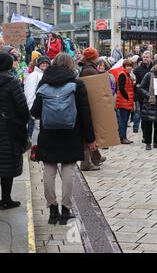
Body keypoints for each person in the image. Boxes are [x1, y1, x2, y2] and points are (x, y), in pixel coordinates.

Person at [30, 53, 96, 224]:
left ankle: (52, 209)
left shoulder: (44, 83)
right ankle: (66, 210)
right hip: (71, 133)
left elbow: (35, 112)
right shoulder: (77, 84)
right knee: (68, 170)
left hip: (48, 134)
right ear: (71, 65)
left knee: (49, 170)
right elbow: (85, 113)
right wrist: (90, 138)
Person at [0, 52, 30, 210]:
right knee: (7, 166)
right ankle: (6, 199)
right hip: (8, 129)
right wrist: (24, 121)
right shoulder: (12, 82)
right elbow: (22, 106)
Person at [78, 47, 107, 170]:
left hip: (87, 102)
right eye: (97, 55)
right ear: (93, 58)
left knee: (91, 132)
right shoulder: (89, 69)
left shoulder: (87, 67)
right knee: (88, 133)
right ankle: (86, 163)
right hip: (88, 103)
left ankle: (96, 157)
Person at [138, 58, 157, 150]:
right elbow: (140, 88)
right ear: (154, 65)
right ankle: (148, 143)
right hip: (150, 103)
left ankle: (156, 142)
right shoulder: (149, 75)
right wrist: (148, 95)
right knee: (148, 125)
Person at [24, 56, 51, 161]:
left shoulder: (48, 74)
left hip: (48, 108)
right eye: (42, 63)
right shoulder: (33, 75)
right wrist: (31, 109)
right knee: (37, 129)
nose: (44, 64)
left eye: (46, 62)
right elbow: (29, 93)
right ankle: (35, 151)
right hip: (38, 108)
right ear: (38, 64)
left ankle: (44, 150)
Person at [133, 51, 153, 134]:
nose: (145, 58)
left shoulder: (153, 69)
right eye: (144, 57)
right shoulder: (137, 70)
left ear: (151, 58)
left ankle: (147, 133)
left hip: (151, 96)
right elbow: (135, 84)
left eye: (147, 57)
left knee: (148, 117)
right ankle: (141, 131)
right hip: (140, 96)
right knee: (140, 114)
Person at [116, 59, 135, 144]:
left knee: (125, 120)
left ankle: (124, 137)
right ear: (124, 67)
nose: (129, 67)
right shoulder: (122, 74)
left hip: (127, 100)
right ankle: (122, 137)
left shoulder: (128, 75)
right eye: (127, 66)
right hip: (123, 100)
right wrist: (127, 97)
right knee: (123, 120)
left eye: (130, 66)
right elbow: (121, 88)